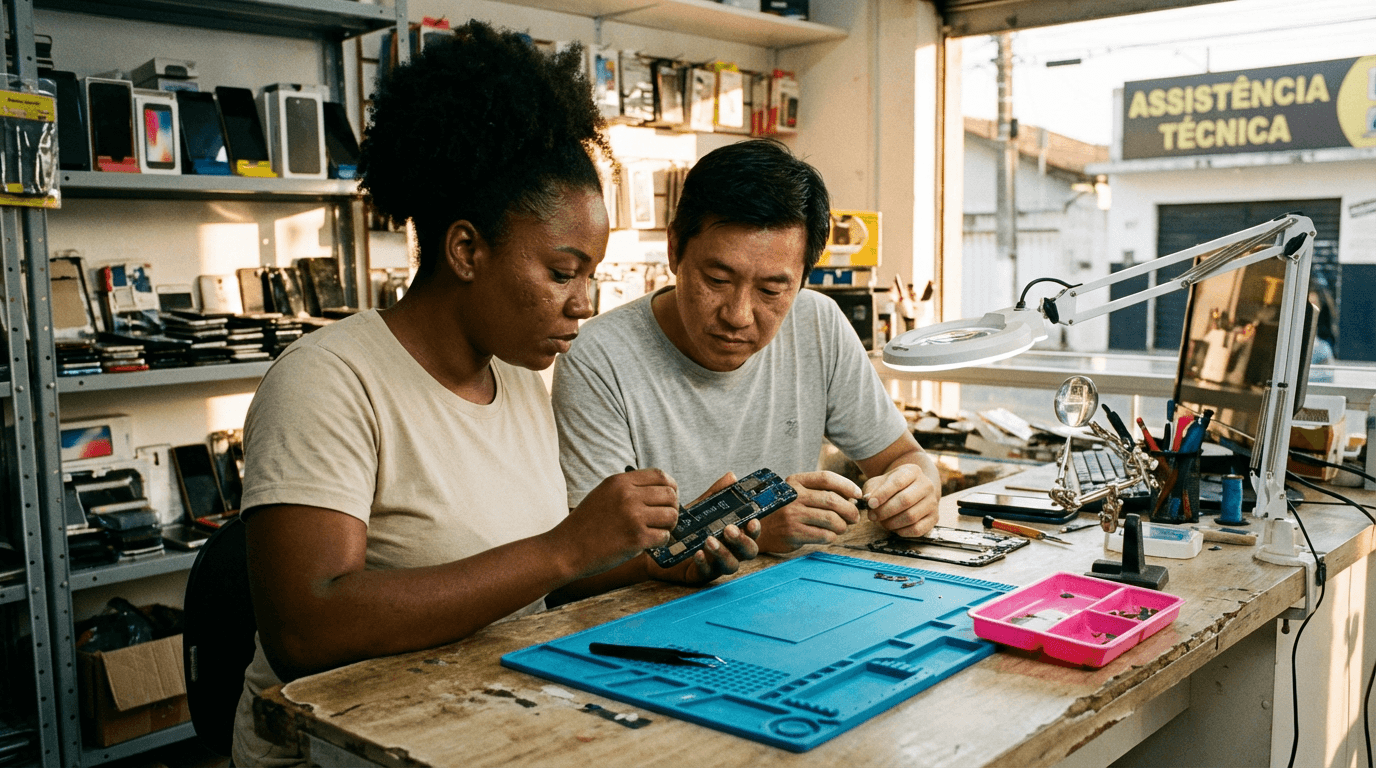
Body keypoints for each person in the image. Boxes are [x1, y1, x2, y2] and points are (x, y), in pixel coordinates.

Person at [232, 23, 758, 767]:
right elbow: (305, 629)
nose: (584, 303)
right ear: (466, 250)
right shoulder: (328, 381)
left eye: (591, 275)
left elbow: (531, 584)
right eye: (562, 272)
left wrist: (648, 560)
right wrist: (566, 547)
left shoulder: (517, 377)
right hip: (339, 747)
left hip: (478, 718)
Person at [552, 140, 941, 555]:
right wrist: (751, 526)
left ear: (803, 279)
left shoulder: (818, 323)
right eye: (717, 280)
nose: (738, 315)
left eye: (771, 290)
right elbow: (590, 555)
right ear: (674, 249)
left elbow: (905, 459)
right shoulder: (597, 357)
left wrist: (918, 490)